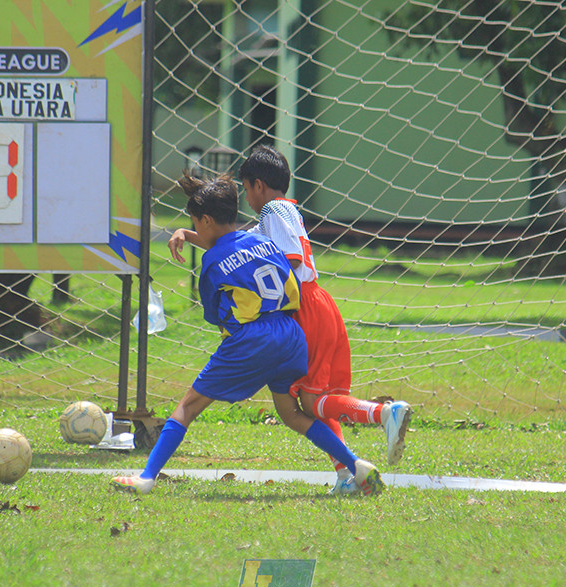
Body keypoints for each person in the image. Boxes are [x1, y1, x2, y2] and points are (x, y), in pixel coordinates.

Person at [112, 172, 384, 496]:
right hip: (291, 335)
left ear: (208, 220)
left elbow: (214, 314)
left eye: (195, 223)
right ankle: (356, 466)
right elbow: (291, 286)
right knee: (291, 414)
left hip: (252, 339)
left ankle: (146, 477)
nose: (196, 229)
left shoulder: (211, 261)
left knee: (187, 407)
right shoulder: (264, 241)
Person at [168, 145, 411, 495]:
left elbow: (284, 261)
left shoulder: (273, 210)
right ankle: (347, 473)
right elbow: (236, 247)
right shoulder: (282, 211)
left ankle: (384, 414)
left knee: (311, 404)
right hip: (315, 303)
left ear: (258, 186)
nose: (247, 198)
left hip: (303, 308)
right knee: (314, 400)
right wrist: (190, 234)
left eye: (247, 189)